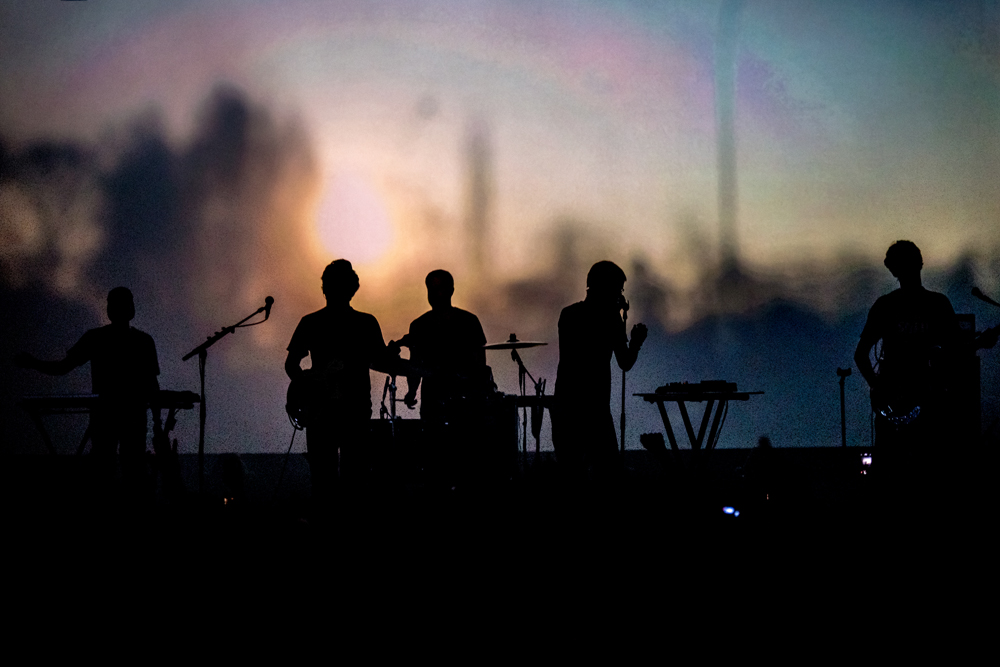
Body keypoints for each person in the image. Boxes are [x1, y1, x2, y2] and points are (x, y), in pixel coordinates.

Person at [16, 287, 162, 495]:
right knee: (130, 470)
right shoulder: (142, 340)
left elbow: (63, 367)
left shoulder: (98, 338)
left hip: (108, 415)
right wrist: (157, 420)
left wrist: (34, 363)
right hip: (130, 416)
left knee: (107, 470)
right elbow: (152, 384)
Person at [285, 260, 388, 506]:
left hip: (349, 410)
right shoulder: (360, 322)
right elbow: (291, 366)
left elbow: (291, 366)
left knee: (338, 481)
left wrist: (307, 383)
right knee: (337, 481)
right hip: (326, 411)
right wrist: (314, 380)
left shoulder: (359, 322)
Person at [552, 261, 647, 483]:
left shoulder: (568, 315)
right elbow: (625, 362)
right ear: (607, 288)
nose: (620, 295)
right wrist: (635, 342)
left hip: (566, 405)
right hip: (595, 410)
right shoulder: (610, 319)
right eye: (618, 290)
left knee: (571, 473)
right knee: (607, 472)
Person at [399, 270, 489, 488]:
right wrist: (412, 390)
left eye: (439, 288)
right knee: (436, 456)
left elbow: (480, 363)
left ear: (451, 290)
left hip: (464, 401)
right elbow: (415, 363)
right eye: (431, 289)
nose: (435, 294)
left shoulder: (468, 321)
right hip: (433, 400)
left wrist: (478, 392)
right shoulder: (419, 325)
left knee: (463, 456)